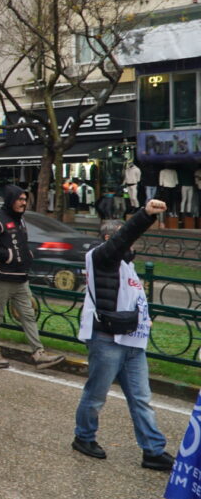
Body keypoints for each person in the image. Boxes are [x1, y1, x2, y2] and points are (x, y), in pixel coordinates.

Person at [72, 198, 175, 471]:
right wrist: (145, 215)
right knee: (96, 396)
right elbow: (125, 237)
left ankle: (153, 450)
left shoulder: (126, 265)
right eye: (126, 239)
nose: (132, 244)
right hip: (106, 340)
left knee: (141, 398)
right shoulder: (100, 257)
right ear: (109, 238)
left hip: (132, 341)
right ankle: (84, 437)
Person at [0, 185, 66, 369]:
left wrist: (27, 255)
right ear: (10, 200)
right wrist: (7, 255)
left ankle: (38, 353)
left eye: (25, 200)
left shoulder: (21, 220)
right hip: (2, 277)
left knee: (28, 315)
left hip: (21, 278)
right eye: (20, 199)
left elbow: (21, 243)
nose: (23, 203)